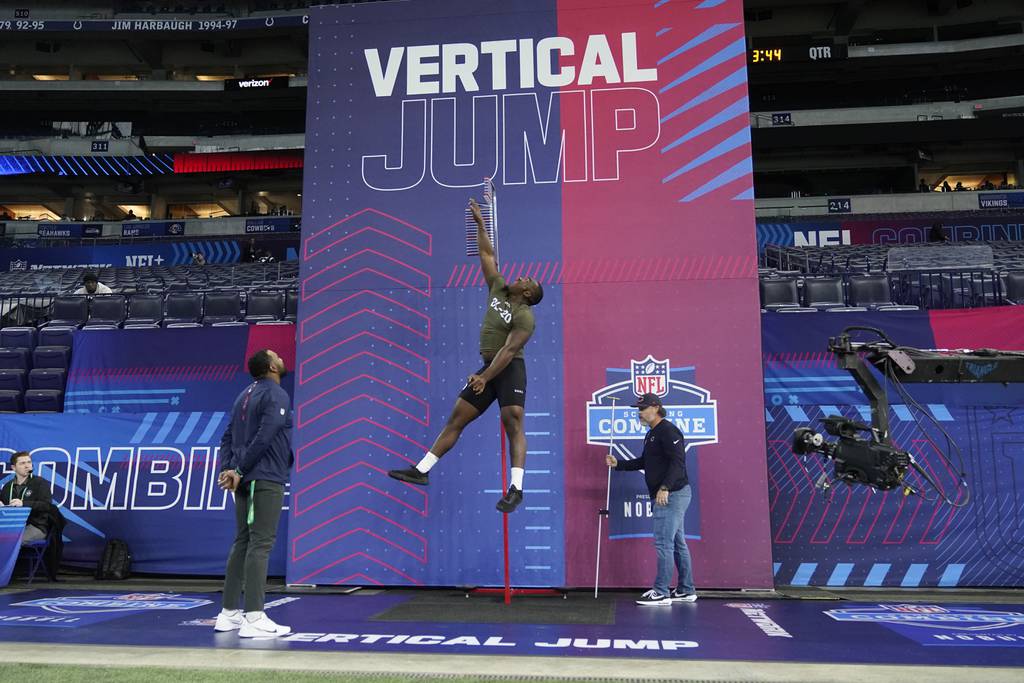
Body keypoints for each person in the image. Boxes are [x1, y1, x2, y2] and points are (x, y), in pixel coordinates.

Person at [388, 198, 543, 513]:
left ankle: (516, 489)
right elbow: (487, 254)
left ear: (527, 293)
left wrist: (485, 378)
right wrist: (480, 223)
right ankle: (422, 471)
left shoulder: (525, 315)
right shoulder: (498, 287)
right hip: (487, 369)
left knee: (512, 421)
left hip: (509, 370)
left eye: (527, 280)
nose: (522, 277)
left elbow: (510, 349)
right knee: (457, 417)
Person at [214, 349, 294, 638]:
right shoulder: (277, 394)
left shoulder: (243, 395)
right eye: (278, 357)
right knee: (261, 543)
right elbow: (267, 434)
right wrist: (239, 470)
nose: (282, 360)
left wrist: (230, 468)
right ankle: (254, 618)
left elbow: (227, 436)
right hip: (264, 477)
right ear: (273, 366)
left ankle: (228, 614)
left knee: (244, 541)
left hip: (246, 477)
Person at [606, 393, 697, 606]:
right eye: (638, 409)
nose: (638, 412)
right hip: (672, 494)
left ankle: (662, 592)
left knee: (664, 543)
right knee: (677, 543)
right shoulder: (652, 433)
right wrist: (617, 464)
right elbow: (645, 462)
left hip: (672, 494)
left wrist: (665, 488)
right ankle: (686, 590)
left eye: (642, 408)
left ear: (655, 407)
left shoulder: (668, 430)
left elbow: (678, 462)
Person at [1, 451, 66, 579]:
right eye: (22, 463)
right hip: (12, 526)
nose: (27, 466)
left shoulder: (40, 483)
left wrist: (23, 503)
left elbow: (47, 506)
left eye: (29, 462)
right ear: (13, 467)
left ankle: (4, 576)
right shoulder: (7, 487)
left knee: (11, 541)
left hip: (36, 526)